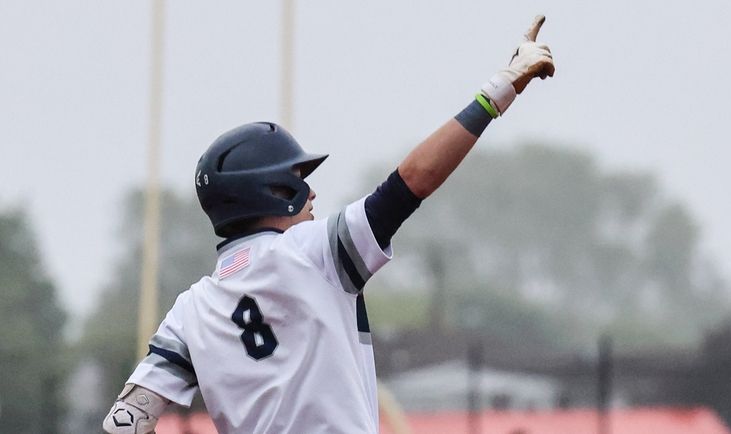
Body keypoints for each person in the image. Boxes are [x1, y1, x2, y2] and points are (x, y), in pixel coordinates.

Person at [103, 15, 555, 434]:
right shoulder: (314, 252)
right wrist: (498, 91)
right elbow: (414, 180)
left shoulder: (188, 312)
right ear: (273, 191)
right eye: (298, 180)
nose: (312, 194)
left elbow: (124, 423)